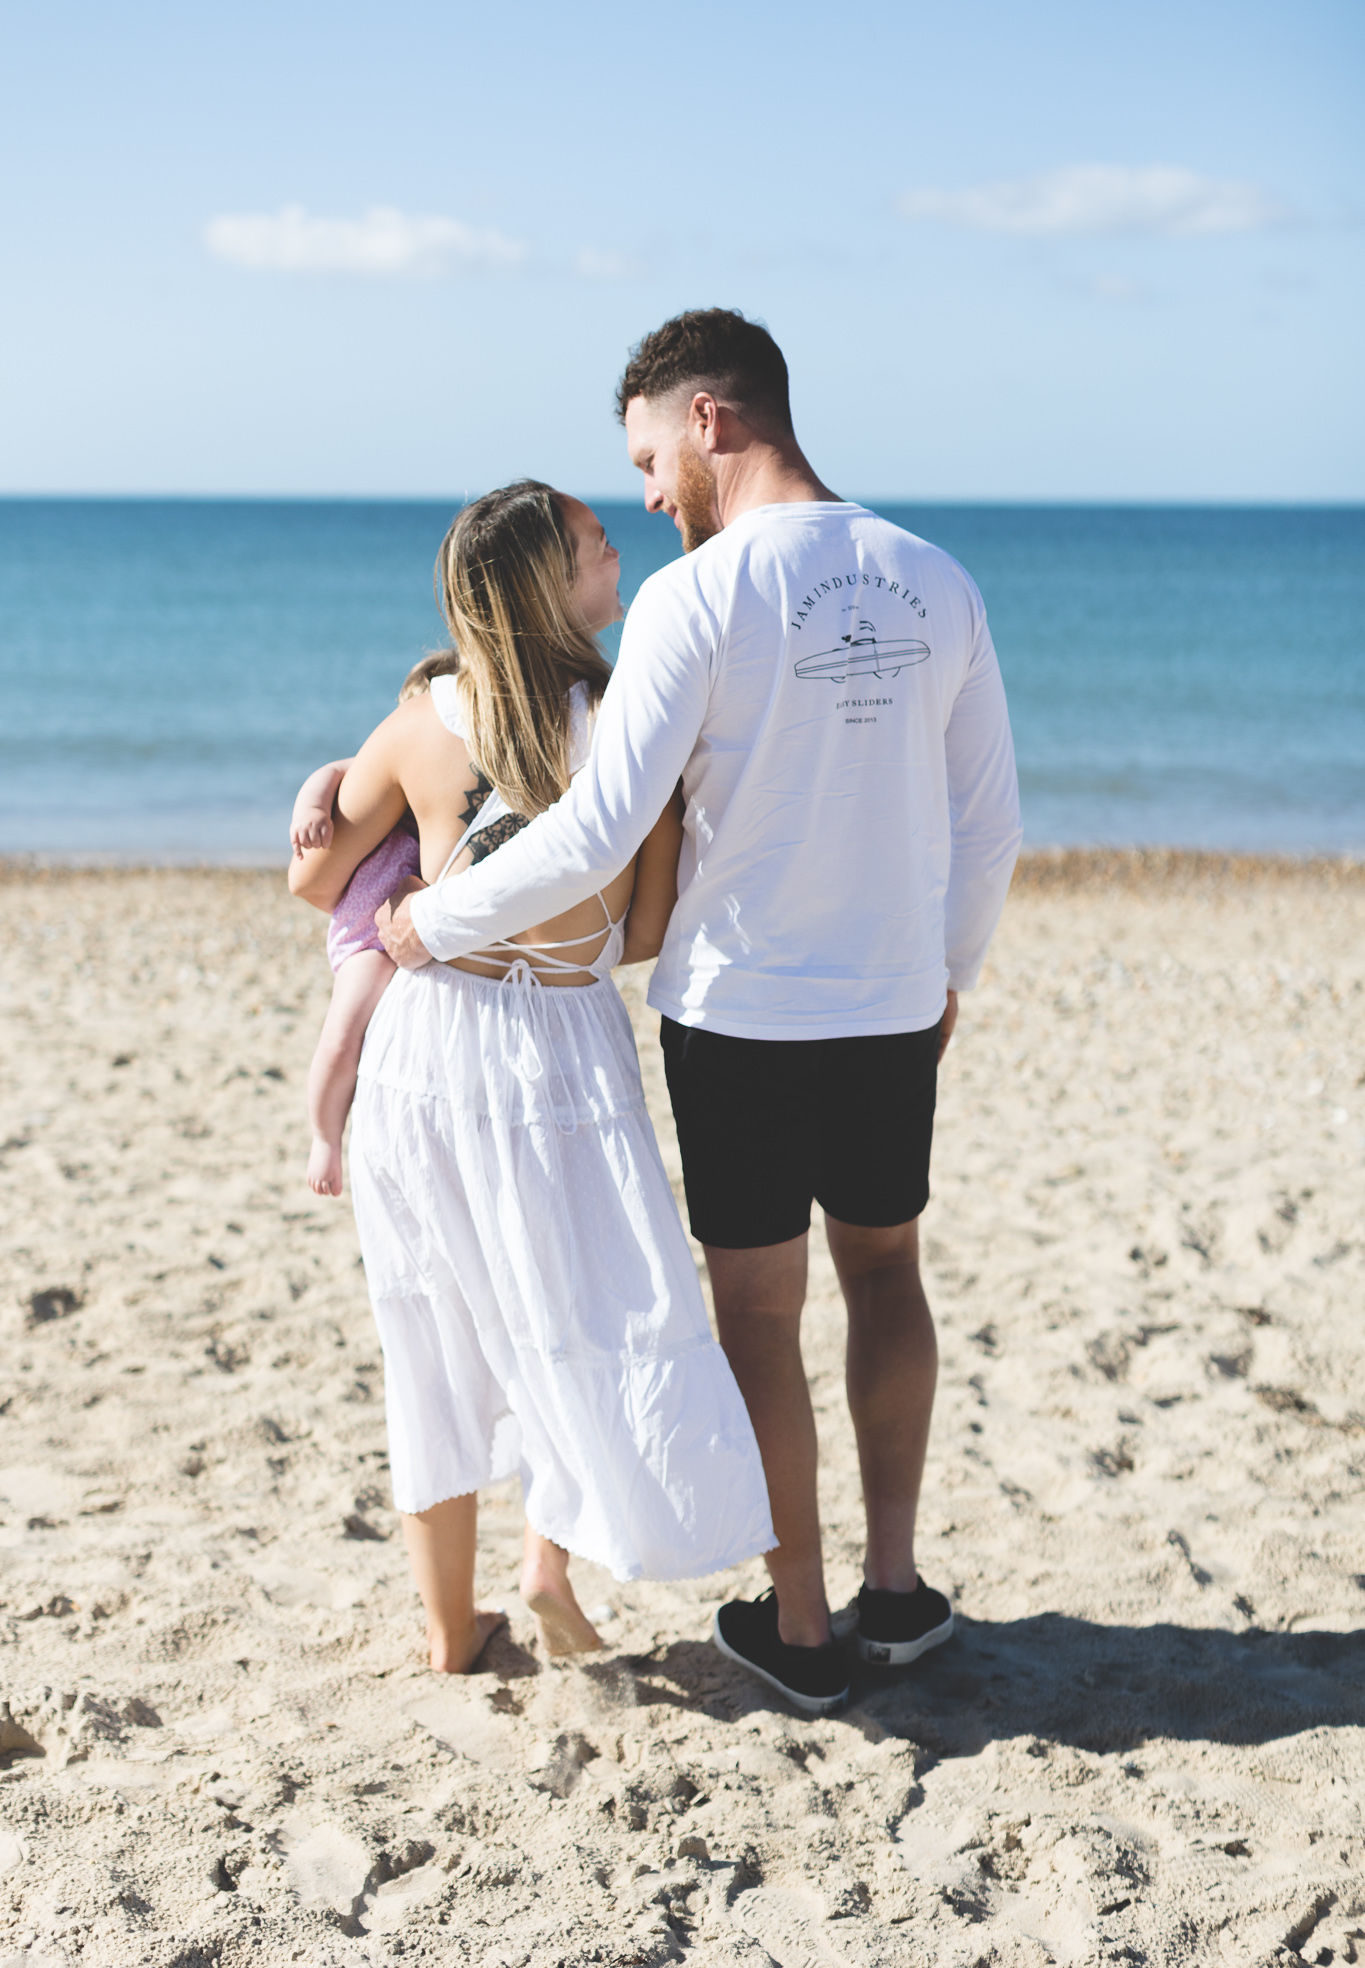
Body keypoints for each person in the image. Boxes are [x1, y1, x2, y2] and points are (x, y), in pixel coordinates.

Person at [380, 311, 1023, 1716]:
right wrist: (948, 974)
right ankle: (896, 1594)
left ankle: (799, 1628)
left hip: (739, 1012)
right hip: (888, 1003)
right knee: (887, 1275)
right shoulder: (937, 577)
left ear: (712, 421)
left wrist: (433, 919)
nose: (650, 490)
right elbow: (988, 825)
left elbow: (599, 827)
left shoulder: (695, 597)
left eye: (651, 456)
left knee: (757, 1309)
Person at [289, 480, 776, 1675]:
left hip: (428, 1041)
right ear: (551, 585)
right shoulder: (629, 724)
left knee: (437, 1331)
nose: (616, 542)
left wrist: (330, 788)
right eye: (593, 539)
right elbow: (649, 921)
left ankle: (456, 1632)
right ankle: (545, 1563)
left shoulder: (418, 724)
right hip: (560, 1042)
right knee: (577, 1310)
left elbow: (314, 881)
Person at [290, 655, 452, 1197]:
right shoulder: (382, 764)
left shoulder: (449, 782)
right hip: (364, 936)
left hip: (410, 930)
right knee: (341, 1037)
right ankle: (324, 1137)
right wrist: (310, 810)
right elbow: (330, 774)